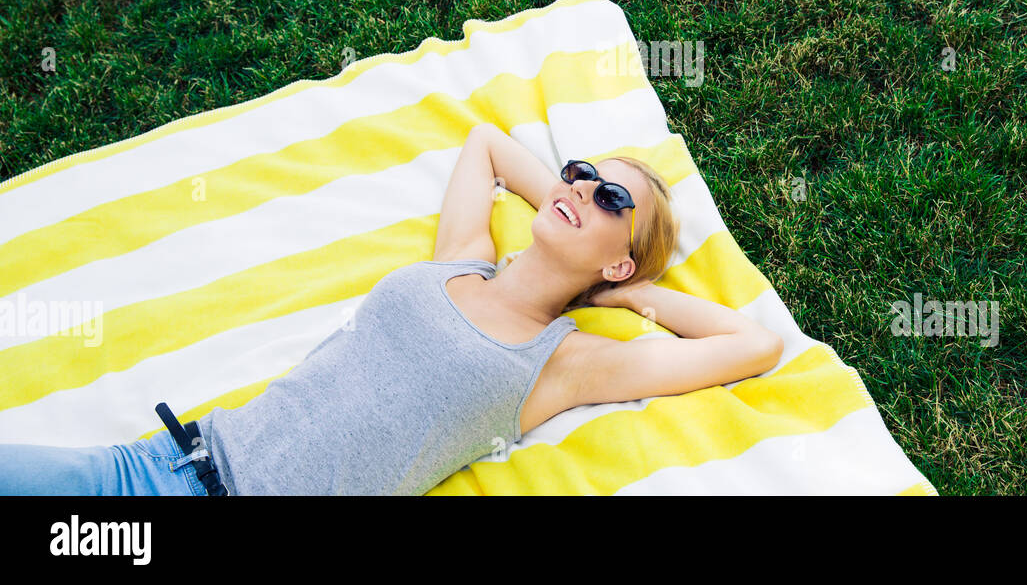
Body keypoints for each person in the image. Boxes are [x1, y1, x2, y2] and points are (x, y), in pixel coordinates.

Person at [0, 123, 784, 495]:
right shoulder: (460, 261)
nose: (578, 187)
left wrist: (631, 292)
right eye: (576, 172)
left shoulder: (567, 361)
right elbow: (483, 143)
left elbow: (751, 344)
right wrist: (572, 195)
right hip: (161, 467)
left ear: (619, 254)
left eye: (609, 195)